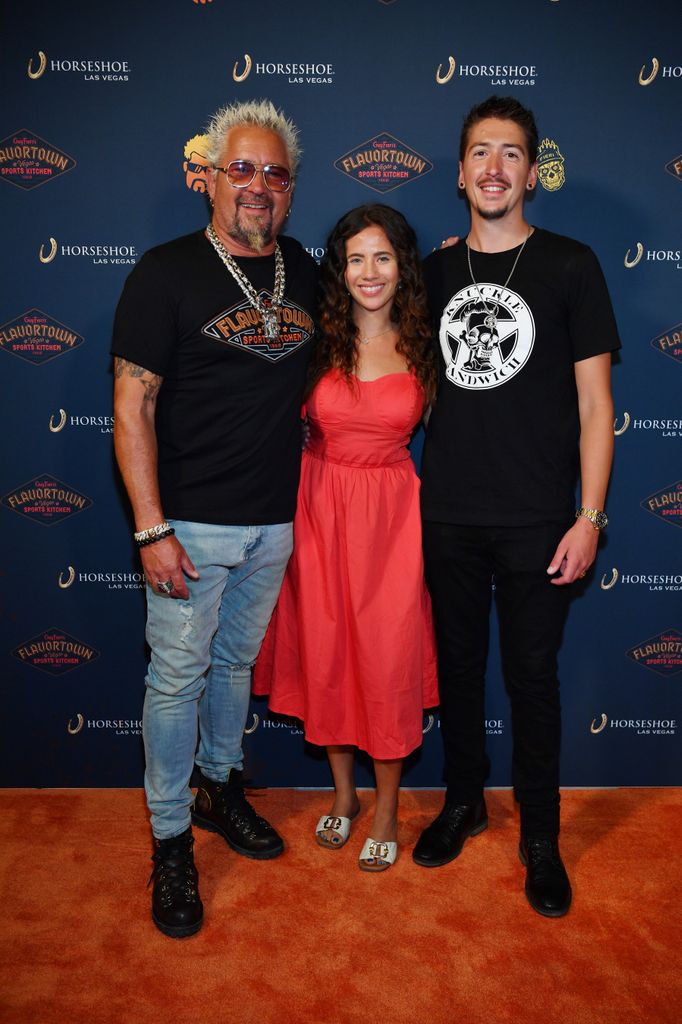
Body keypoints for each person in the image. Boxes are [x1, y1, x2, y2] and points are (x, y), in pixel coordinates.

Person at [111, 99, 318, 937]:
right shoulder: (164, 272)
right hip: (188, 526)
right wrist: (152, 527)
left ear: (291, 188)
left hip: (275, 521)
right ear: (207, 178)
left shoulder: (305, 268)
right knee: (175, 680)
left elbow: (381, 305)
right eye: (242, 169)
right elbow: (133, 404)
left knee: (235, 669)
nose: (258, 186)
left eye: (275, 173)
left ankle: (219, 788)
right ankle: (169, 844)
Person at [413, 96, 620, 916]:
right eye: (479, 153)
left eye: (509, 154)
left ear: (533, 172)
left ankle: (542, 836)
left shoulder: (572, 265)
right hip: (447, 513)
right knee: (457, 672)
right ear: (461, 172)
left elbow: (598, 406)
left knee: (533, 680)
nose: (493, 168)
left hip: (540, 518)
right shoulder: (431, 274)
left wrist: (590, 515)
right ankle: (462, 803)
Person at [254, 204, 439, 871]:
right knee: (328, 656)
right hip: (318, 512)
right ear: (339, 268)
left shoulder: (429, 340)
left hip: (392, 521)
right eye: (356, 258)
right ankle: (344, 795)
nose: (369, 272)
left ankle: (388, 806)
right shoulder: (311, 338)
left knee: (387, 664)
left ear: (402, 267)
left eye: (383, 257)